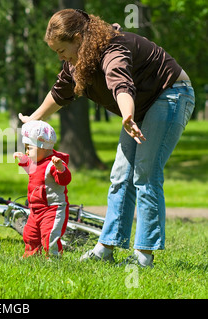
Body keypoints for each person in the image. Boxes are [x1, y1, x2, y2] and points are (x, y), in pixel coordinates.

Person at [18, 9, 195, 267]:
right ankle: (106, 247)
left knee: (145, 173)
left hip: (171, 95)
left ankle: (144, 256)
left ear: (78, 38)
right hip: (139, 108)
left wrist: (127, 115)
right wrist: (34, 118)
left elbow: (120, 83)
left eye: (60, 50)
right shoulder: (78, 62)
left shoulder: (113, 50)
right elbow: (61, 90)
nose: (60, 57)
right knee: (120, 175)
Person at [13, 120, 71, 258]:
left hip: (52, 208)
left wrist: (60, 169)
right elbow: (34, 172)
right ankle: (31, 256)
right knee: (30, 234)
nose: (27, 151)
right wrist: (23, 160)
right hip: (35, 209)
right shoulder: (36, 162)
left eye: (29, 148)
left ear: (43, 146)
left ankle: (53, 259)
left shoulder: (53, 164)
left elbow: (65, 180)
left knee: (49, 235)